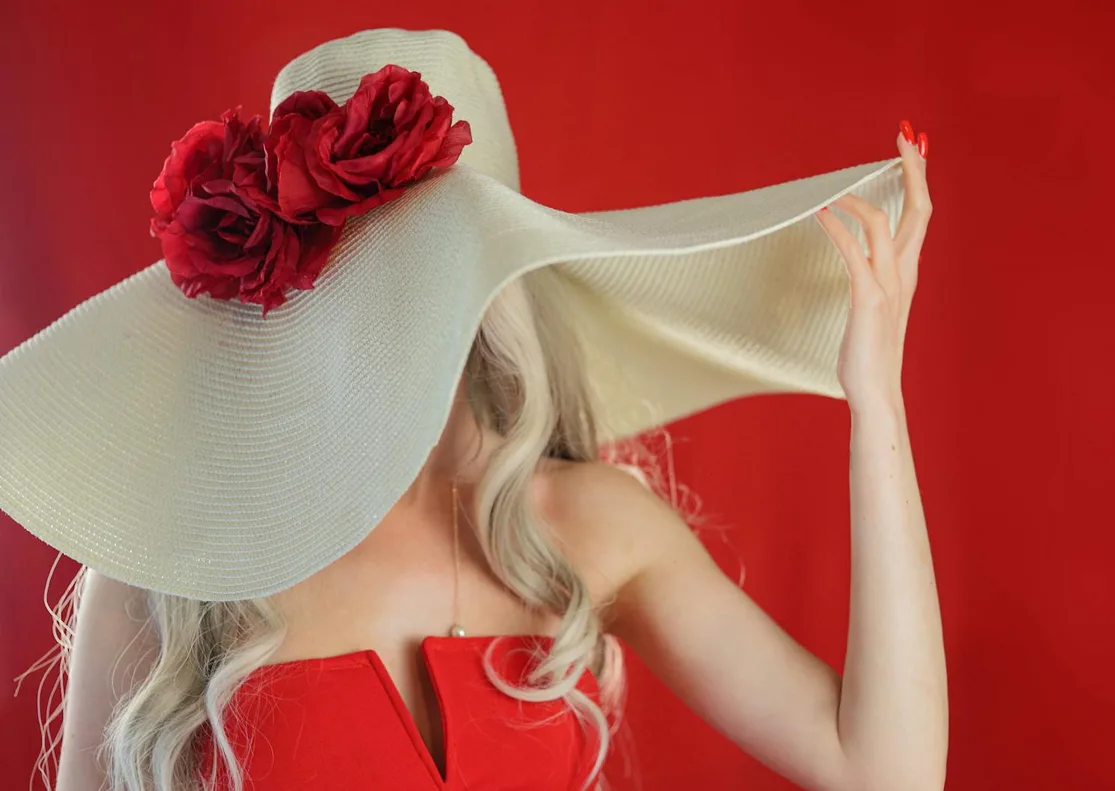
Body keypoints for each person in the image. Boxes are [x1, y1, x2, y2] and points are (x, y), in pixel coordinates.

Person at [0, 27, 944, 791]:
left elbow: (884, 770)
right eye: (352, 274)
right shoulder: (175, 558)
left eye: (424, 272)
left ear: (492, 284)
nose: (384, 317)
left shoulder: (589, 523)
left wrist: (877, 407)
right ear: (282, 282)